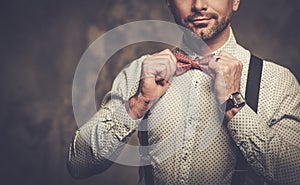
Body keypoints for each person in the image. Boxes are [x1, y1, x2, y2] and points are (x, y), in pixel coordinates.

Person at [67, 0, 300, 184]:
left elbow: (294, 175)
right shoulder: (140, 72)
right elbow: (78, 164)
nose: (198, 5)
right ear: (168, 3)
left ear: (235, 1)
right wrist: (138, 103)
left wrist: (235, 106)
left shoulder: (276, 81)